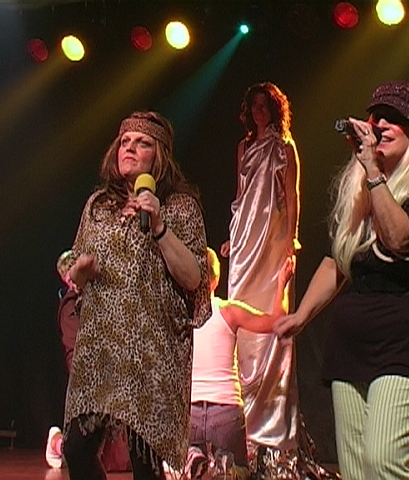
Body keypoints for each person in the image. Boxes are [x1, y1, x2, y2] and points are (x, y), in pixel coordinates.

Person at [274, 80, 409, 480]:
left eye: (394, 118)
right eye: (376, 117)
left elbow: (399, 240)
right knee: (358, 471)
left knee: (385, 461)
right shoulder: (359, 189)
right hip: (355, 341)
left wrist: (374, 174)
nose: (381, 125)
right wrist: (301, 316)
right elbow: (339, 260)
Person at [61, 111, 211, 480]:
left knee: (144, 464)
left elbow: (194, 278)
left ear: (159, 156)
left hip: (150, 352)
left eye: (142, 143)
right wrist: (78, 272)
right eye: (124, 142)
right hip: (101, 351)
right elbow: (73, 262)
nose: (129, 148)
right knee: (76, 449)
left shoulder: (180, 208)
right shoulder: (98, 206)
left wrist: (158, 226)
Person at [220, 81, 312, 478]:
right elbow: (241, 196)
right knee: (242, 323)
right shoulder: (243, 148)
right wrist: (232, 236)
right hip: (245, 240)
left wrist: (291, 239)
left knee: (274, 316)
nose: (259, 112)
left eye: (264, 105)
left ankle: (273, 432)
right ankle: (243, 430)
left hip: (272, 238)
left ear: (274, 109)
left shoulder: (284, 147)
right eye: (254, 106)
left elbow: (291, 194)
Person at [184, 248, 294, 479]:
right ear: (215, 280)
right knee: (237, 474)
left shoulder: (182, 315)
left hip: (191, 411)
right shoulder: (229, 311)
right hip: (226, 412)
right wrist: (281, 284)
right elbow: (277, 321)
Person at [45, 250, 131, 473]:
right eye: (68, 278)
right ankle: (57, 444)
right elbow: (75, 351)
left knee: (114, 457)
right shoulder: (70, 306)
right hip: (87, 381)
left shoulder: (97, 297)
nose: (72, 282)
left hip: (104, 376)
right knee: (83, 449)